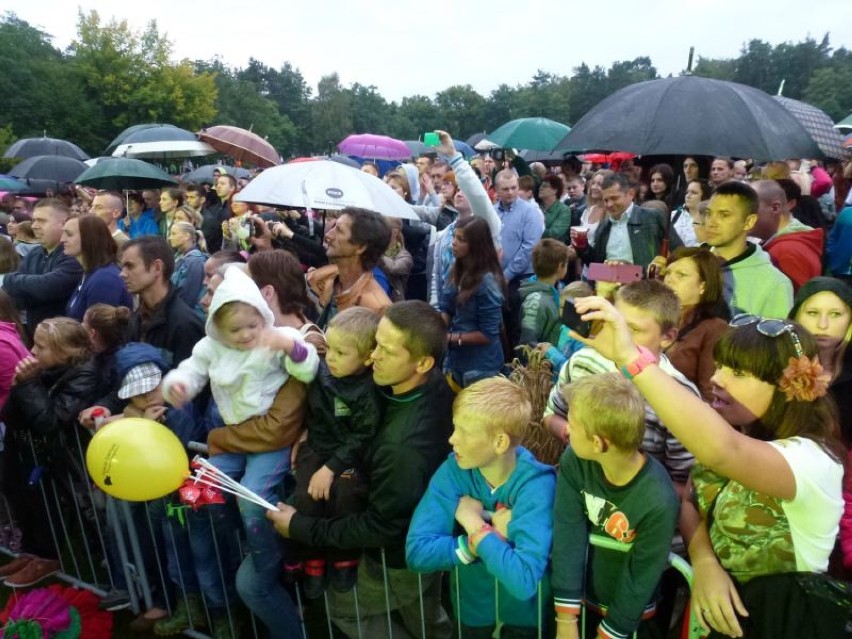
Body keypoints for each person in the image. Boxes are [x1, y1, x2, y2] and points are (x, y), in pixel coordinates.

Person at [569, 295, 845, 639]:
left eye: (738, 372)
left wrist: (630, 358)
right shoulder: (736, 432)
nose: (717, 378)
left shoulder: (811, 461)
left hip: (784, 621)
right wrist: (704, 562)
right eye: (720, 366)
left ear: (788, 388)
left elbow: (721, 452)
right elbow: (691, 502)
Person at [268, 301, 454, 639]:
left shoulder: (402, 447)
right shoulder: (424, 382)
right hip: (425, 540)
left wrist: (301, 527)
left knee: (344, 610)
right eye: (375, 344)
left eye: (386, 350)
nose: (372, 357)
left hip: (400, 557)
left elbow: (380, 526)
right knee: (427, 620)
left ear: (423, 362)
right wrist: (318, 430)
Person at [407, 377, 556, 639]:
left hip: (525, 621)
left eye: (463, 432)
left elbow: (523, 581)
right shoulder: (453, 470)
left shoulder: (537, 484)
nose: (452, 439)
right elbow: (417, 552)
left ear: (500, 443)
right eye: (455, 428)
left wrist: (473, 523)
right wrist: (472, 545)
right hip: (471, 615)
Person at [552, 373, 679, 639]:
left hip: (631, 620)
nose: (567, 429)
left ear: (598, 443)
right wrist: (566, 618)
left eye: (572, 425)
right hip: (582, 604)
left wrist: (611, 632)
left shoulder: (658, 500)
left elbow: (641, 576)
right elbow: (567, 532)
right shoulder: (575, 461)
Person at [544, 280, 697, 495]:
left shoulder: (679, 397)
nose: (620, 336)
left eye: (634, 329)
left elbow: (685, 486)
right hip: (575, 493)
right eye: (615, 323)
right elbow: (552, 415)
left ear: (667, 337)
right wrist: (572, 432)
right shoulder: (582, 362)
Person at [1, 317, 107, 587]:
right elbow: (11, 416)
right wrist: (19, 386)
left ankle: (55, 559)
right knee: (28, 501)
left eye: (41, 346)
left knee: (63, 511)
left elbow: (51, 421)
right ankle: (33, 552)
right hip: (32, 452)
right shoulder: (46, 370)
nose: (32, 352)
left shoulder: (83, 374)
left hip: (68, 460)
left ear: (64, 351)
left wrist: (27, 384)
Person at [286, 307, 382, 597]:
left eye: (341, 353)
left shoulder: (368, 390)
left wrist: (332, 468)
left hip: (350, 462)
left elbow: (363, 436)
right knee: (306, 494)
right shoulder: (322, 370)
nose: (330, 359)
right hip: (316, 449)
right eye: (329, 349)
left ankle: (344, 558)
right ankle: (312, 559)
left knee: (346, 489)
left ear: (367, 358)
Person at [704, 181, 793, 318]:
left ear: (749, 222)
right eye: (708, 213)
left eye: (724, 214)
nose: (711, 222)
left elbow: (778, 337)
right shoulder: (689, 263)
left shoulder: (774, 283)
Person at [1, 199, 83, 338]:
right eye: (33, 220)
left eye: (42, 221)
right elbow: (16, 296)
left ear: (63, 223)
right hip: (36, 336)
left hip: (63, 341)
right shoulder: (35, 254)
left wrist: (7, 278)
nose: (34, 226)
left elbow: (49, 287)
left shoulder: (72, 255)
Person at [440, 217, 505, 389]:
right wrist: (435, 326)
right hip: (455, 361)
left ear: (476, 245)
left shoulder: (488, 282)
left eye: (461, 240)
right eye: (454, 237)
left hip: (480, 368)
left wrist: (449, 338)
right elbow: (447, 308)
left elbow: (487, 334)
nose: (453, 243)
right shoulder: (456, 268)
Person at [789, 276, 852, 446]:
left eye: (835, 314)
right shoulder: (775, 367)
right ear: (796, 316)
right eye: (812, 313)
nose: (822, 325)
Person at [578, 173, 683, 274]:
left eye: (614, 198)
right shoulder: (603, 227)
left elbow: (680, 253)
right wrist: (582, 247)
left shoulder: (653, 217)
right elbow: (597, 264)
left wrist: (665, 270)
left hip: (647, 288)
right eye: (606, 200)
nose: (609, 204)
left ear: (630, 194)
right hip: (610, 289)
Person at [306, 207, 392, 328]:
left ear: (360, 247)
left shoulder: (376, 308)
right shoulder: (323, 276)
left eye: (339, 230)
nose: (328, 235)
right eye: (334, 226)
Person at [663, 247, 730, 401]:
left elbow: (711, 393)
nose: (669, 279)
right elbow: (630, 367)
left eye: (681, 275)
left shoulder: (715, 329)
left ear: (703, 286)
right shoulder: (655, 317)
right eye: (668, 272)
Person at [494, 169, 544, 345]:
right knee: (501, 326)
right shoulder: (493, 212)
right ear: (496, 190)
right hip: (497, 276)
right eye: (505, 189)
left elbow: (529, 247)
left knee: (519, 326)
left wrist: (507, 274)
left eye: (513, 188)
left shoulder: (530, 212)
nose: (510, 192)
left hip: (521, 279)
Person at [751, 180, 823, 291]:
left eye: (750, 209)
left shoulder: (786, 251)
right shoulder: (789, 242)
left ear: (775, 208)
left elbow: (793, 304)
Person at [61, 215, 132, 321]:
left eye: (69, 234)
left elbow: (99, 331)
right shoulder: (91, 273)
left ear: (89, 238)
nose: (62, 239)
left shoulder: (105, 279)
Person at [519, 238, 570, 348]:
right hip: (543, 362)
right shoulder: (536, 302)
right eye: (566, 263)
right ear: (560, 266)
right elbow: (527, 344)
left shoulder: (554, 289)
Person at [169, 221, 208, 315]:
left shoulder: (195, 261)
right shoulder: (180, 257)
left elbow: (187, 297)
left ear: (186, 236)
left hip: (189, 316)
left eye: (174, 234)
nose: (169, 238)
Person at [670, 179, 712, 248]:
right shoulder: (672, 215)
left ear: (705, 196)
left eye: (694, 192)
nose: (688, 196)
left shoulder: (711, 219)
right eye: (687, 192)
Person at [380, 217, 413, 302]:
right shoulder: (378, 250)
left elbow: (394, 268)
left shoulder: (405, 256)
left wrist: (377, 253)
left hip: (394, 302)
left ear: (395, 232)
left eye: (382, 227)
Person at [202, 174, 236, 253]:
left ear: (232, 188)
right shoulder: (212, 207)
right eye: (217, 184)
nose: (218, 186)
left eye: (222, 184)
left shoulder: (235, 208)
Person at [539, 175, 572, 242]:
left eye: (545, 186)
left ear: (555, 190)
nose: (540, 188)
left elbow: (555, 233)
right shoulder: (537, 207)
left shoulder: (563, 210)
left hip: (553, 249)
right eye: (541, 186)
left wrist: (532, 231)